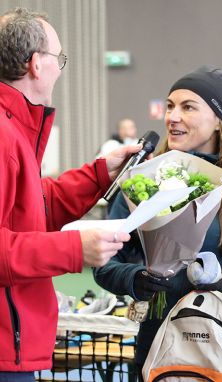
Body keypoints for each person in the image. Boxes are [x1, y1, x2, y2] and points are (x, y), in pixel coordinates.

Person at [93, 65, 222, 376]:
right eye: (170, 106)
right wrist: (136, 279)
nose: (173, 116)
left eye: (188, 107)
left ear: (218, 121)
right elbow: (104, 264)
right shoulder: (143, 181)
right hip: (156, 347)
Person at [0, 8, 138, 381]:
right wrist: (75, 249)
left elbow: (30, 207)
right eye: (59, 58)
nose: (61, 69)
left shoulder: (14, 127)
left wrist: (98, 174)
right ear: (35, 65)